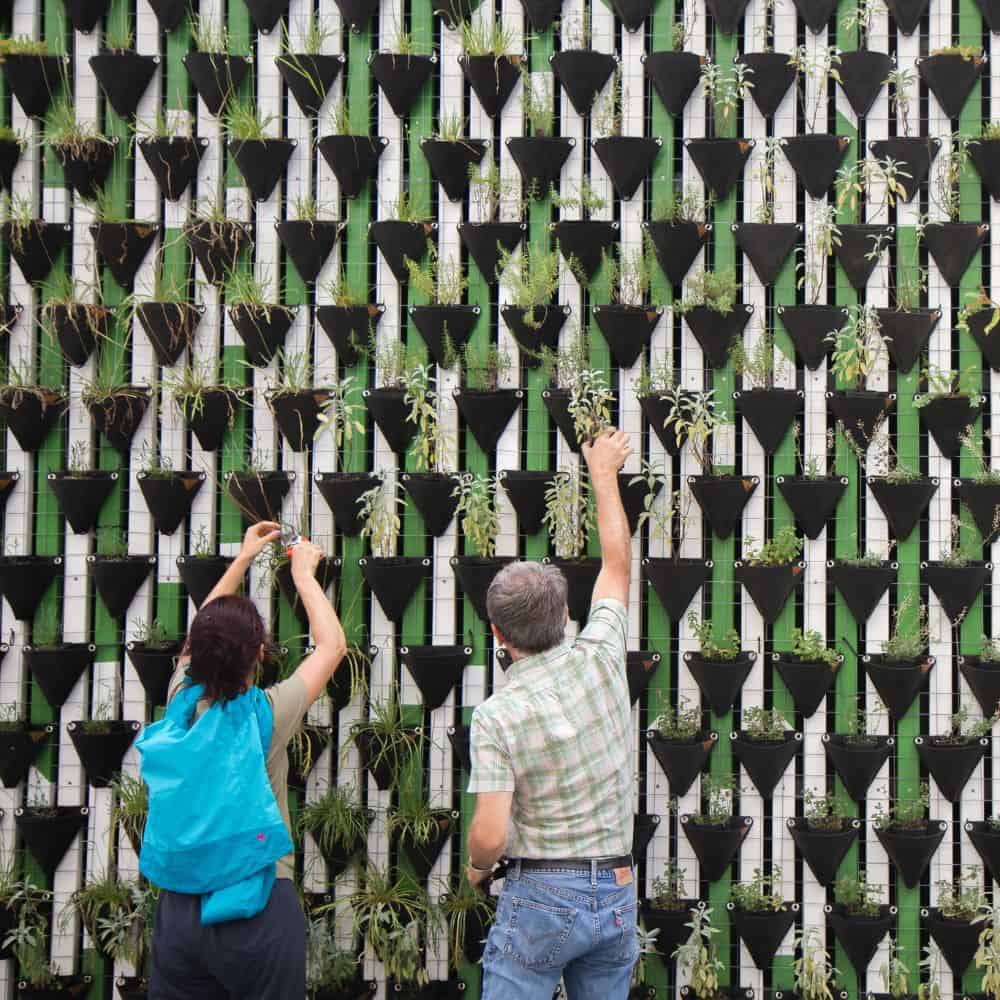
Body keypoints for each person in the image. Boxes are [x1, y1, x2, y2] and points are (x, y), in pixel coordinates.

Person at [465, 428, 637, 999]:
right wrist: (603, 475)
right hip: (616, 887)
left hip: (541, 893)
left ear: (497, 632)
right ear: (566, 612)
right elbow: (617, 563)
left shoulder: (496, 715)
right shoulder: (602, 655)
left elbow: (490, 834)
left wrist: (476, 869)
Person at [144, 521, 346, 1000]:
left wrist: (242, 558)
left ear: (194, 656)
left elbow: (200, 636)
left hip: (180, 908)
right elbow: (332, 646)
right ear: (259, 653)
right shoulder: (266, 717)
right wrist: (303, 575)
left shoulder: (180, 703)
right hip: (257, 904)